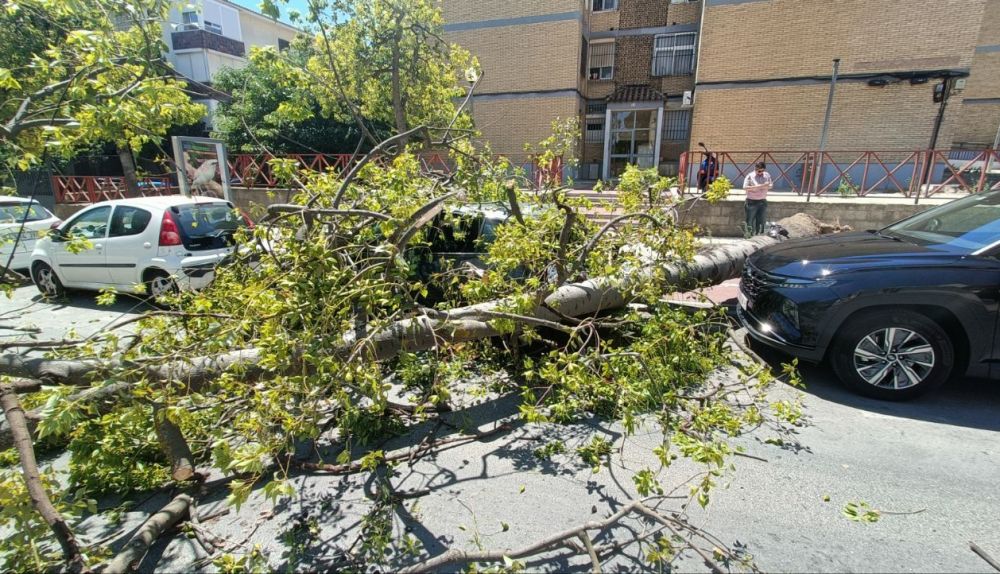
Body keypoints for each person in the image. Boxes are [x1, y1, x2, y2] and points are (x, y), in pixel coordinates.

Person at [743, 161, 772, 235]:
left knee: (761, 221)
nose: (761, 173)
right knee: (750, 221)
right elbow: (745, 187)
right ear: (755, 169)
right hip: (751, 202)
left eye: (762, 171)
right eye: (759, 171)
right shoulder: (750, 176)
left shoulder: (767, 175)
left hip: (762, 201)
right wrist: (760, 186)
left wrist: (767, 186)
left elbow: (771, 185)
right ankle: (748, 237)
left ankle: (759, 238)